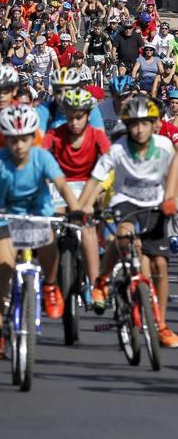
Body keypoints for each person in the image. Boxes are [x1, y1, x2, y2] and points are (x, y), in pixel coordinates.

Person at [0, 105, 80, 359]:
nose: (19, 145)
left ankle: (51, 285)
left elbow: (62, 185)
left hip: (37, 213)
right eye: (12, 139)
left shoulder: (42, 157)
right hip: (4, 215)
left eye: (24, 139)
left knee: (49, 246)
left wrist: (76, 209)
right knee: (2, 268)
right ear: (5, 138)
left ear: (33, 137)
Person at [80, 93, 178, 348]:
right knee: (123, 235)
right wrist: (83, 206)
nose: (139, 129)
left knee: (159, 264)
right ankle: (102, 280)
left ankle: (161, 325)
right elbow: (97, 179)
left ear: (154, 124)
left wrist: (171, 198)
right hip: (126, 201)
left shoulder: (164, 146)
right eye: (134, 124)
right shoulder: (118, 149)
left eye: (145, 123)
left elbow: (175, 167)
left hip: (154, 205)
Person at [43, 89, 110, 289]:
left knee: (88, 229)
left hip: (88, 186)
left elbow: (110, 164)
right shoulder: (54, 135)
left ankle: (96, 285)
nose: (74, 122)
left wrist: (94, 196)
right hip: (60, 187)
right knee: (52, 225)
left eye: (79, 117)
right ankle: (51, 282)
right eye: (70, 117)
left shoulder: (97, 135)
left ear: (88, 116)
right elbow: (38, 158)